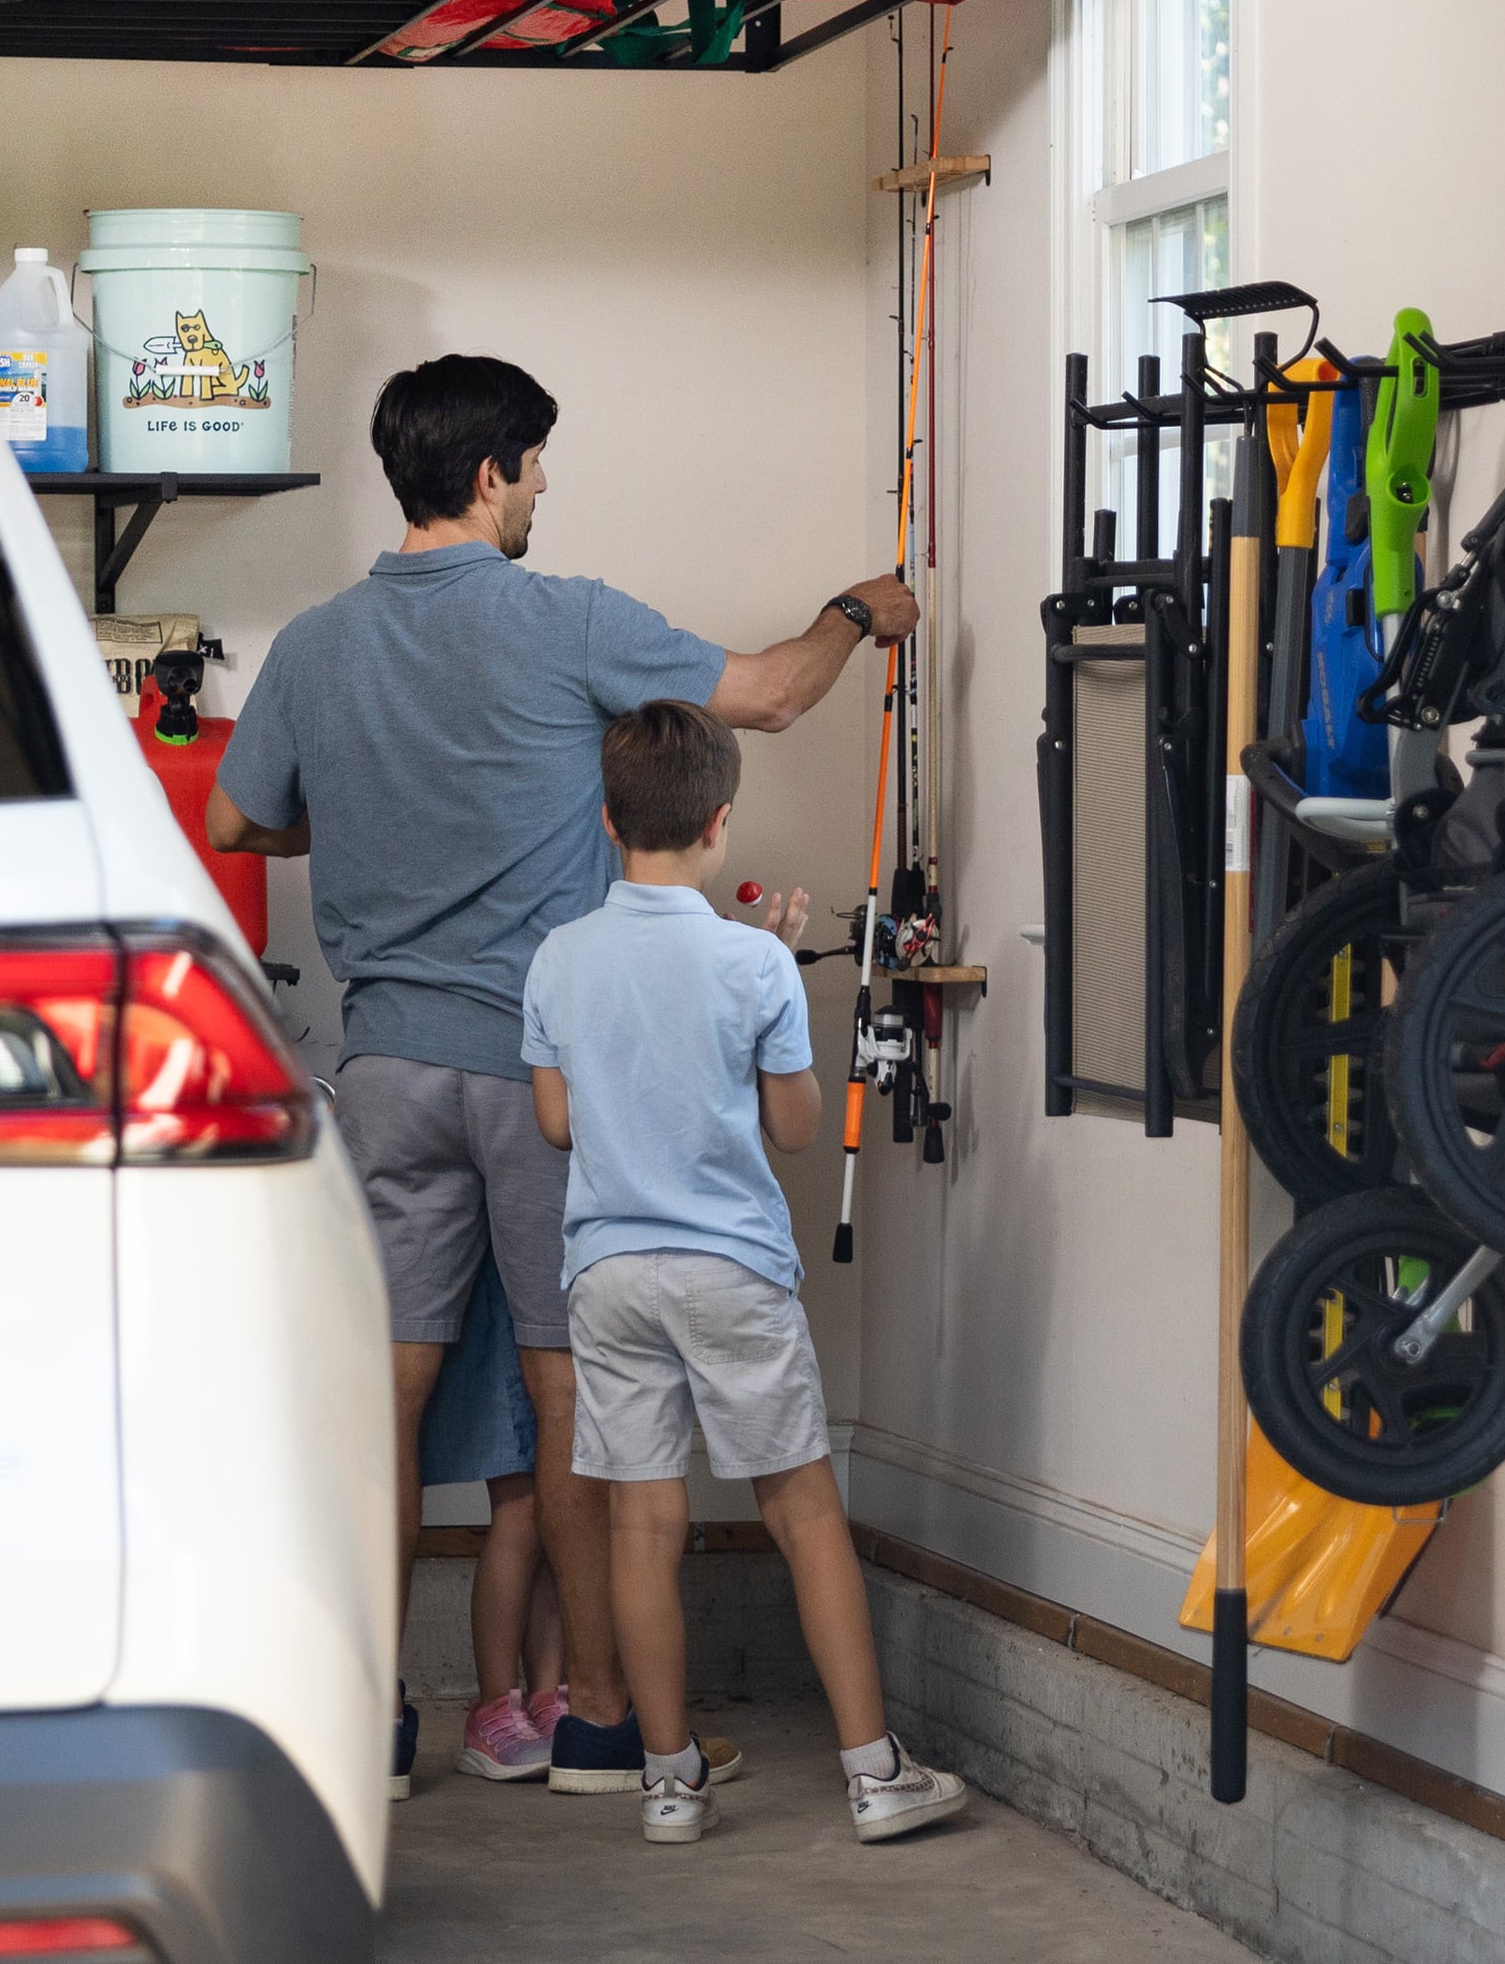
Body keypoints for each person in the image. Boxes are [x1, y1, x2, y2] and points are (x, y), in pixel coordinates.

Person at [206, 353, 916, 1800]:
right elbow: (772, 696)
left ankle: (373, 1725)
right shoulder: (563, 619)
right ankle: (598, 1720)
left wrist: (362, 812)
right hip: (532, 1075)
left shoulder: (316, 646)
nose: (543, 489)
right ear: (489, 477)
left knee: (383, 1410)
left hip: (386, 1067)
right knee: (570, 1395)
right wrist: (859, 612)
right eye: (535, 465)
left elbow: (236, 814)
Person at [522, 700, 968, 1846]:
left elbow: (558, 1123)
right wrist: (773, 970)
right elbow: (795, 1127)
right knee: (802, 1508)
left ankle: (667, 1782)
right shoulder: (748, 961)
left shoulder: (559, 957)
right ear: (719, 823)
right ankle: (874, 1774)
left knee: (639, 1523)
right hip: (728, 1266)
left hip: (607, 1270)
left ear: (609, 817)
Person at [416, 1254, 565, 1784]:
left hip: (540, 1284)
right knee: (522, 1501)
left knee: (555, 1508)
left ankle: (548, 1697)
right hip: (504, 1286)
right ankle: (495, 1707)